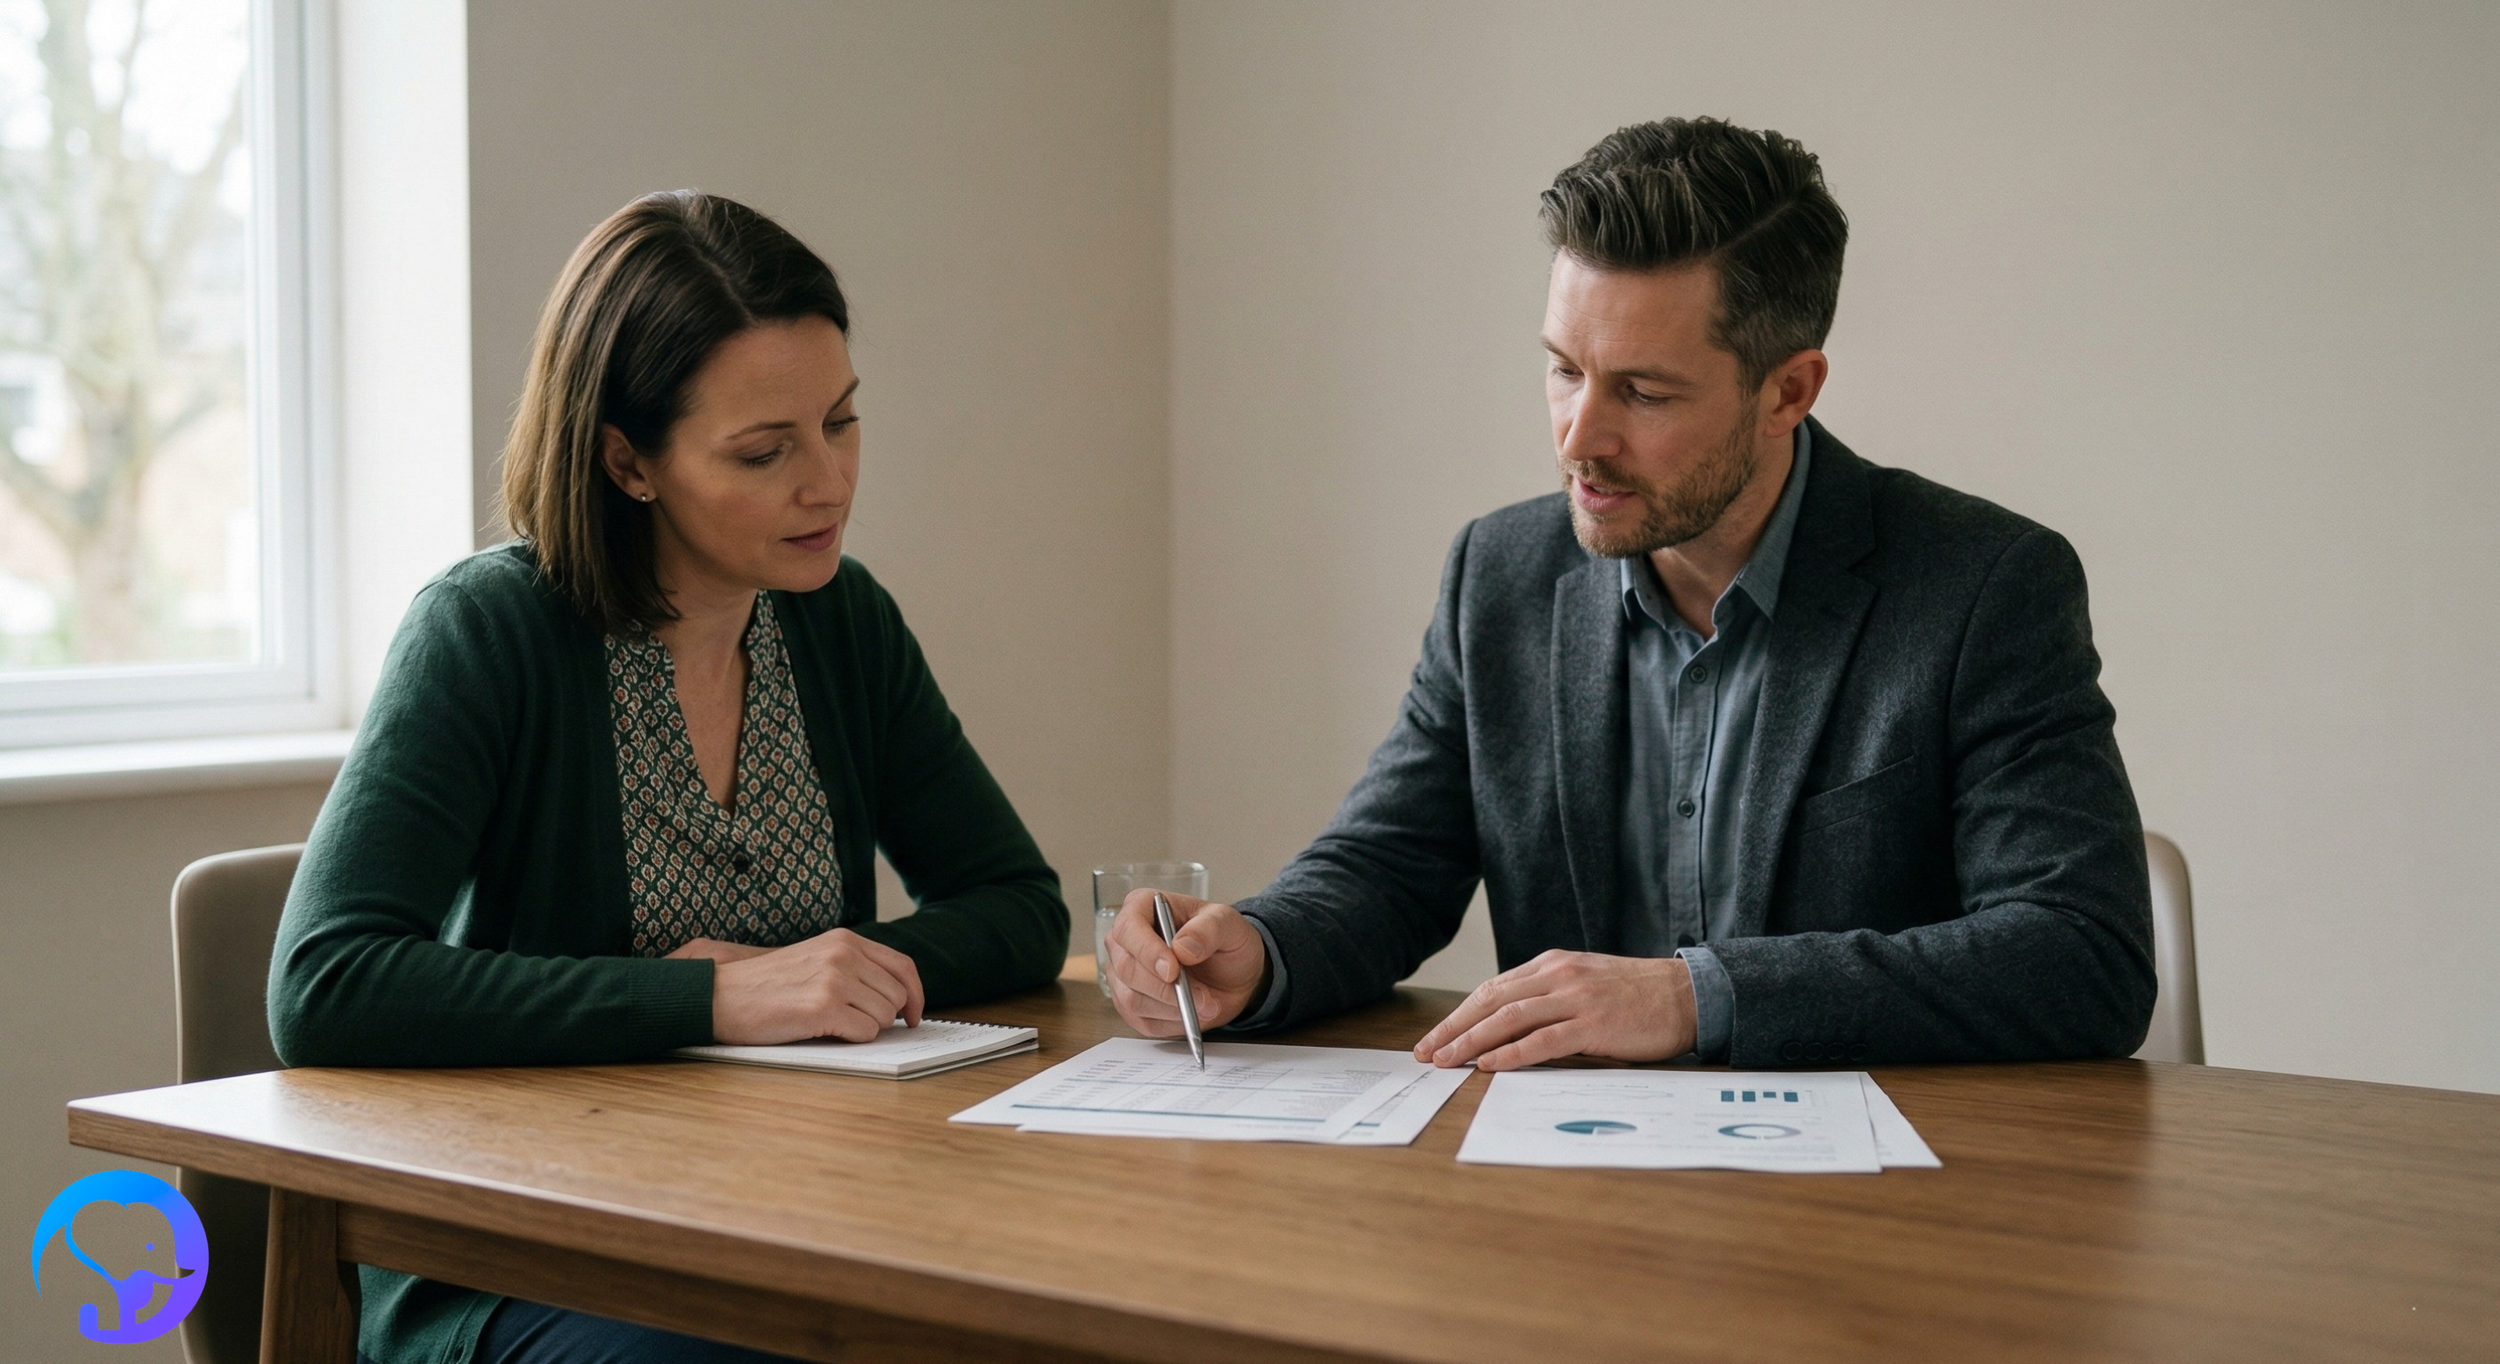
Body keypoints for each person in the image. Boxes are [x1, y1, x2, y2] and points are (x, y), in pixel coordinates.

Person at [1104, 117, 2155, 1072]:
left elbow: (2079, 952)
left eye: (1642, 393)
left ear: (1787, 390)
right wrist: (1261, 944)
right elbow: (1389, 863)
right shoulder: (1500, 573)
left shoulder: (1983, 585)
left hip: (1868, 1213)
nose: (1578, 438)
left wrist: (1694, 994)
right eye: (1564, 369)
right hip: (1572, 1196)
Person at [268, 191, 1066, 1364]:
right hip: (522, 1252)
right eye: (764, 450)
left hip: (794, 1216)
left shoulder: (840, 620)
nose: (829, 483)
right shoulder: (488, 631)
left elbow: (1016, 905)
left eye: (840, 422)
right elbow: (325, 984)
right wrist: (714, 1001)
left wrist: (845, 980)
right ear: (626, 459)